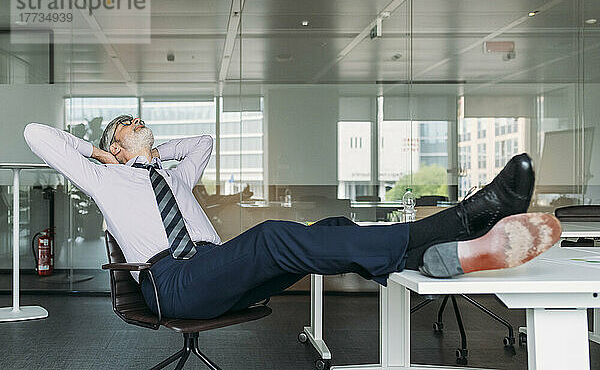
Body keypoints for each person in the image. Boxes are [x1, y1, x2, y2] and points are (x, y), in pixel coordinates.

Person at [24, 116, 561, 320]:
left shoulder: (172, 176)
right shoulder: (104, 179)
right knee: (273, 238)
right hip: (175, 284)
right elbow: (37, 135)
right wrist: (105, 157)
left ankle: (444, 254)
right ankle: (460, 223)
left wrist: (151, 151)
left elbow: (203, 142)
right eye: (129, 125)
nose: (140, 124)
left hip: (213, 269)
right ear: (112, 148)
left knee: (331, 230)